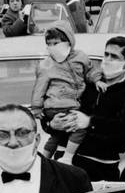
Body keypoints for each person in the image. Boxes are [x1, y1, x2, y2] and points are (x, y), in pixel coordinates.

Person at [55, 35, 125, 186]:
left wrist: (91, 122)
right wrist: (52, 123)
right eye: (105, 54)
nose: (106, 60)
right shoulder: (88, 85)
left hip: (99, 167)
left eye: (113, 56)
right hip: (63, 161)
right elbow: (60, 102)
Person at [30, 21, 102, 164]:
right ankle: (68, 157)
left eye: (56, 43)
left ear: (68, 41)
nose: (52, 47)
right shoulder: (46, 65)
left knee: (56, 135)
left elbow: (91, 71)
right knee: (78, 127)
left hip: (65, 106)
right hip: (60, 104)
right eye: (49, 44)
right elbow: (39, 88)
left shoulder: (81, 58)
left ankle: (43, 159)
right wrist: (37, 108)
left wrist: (97, 80)